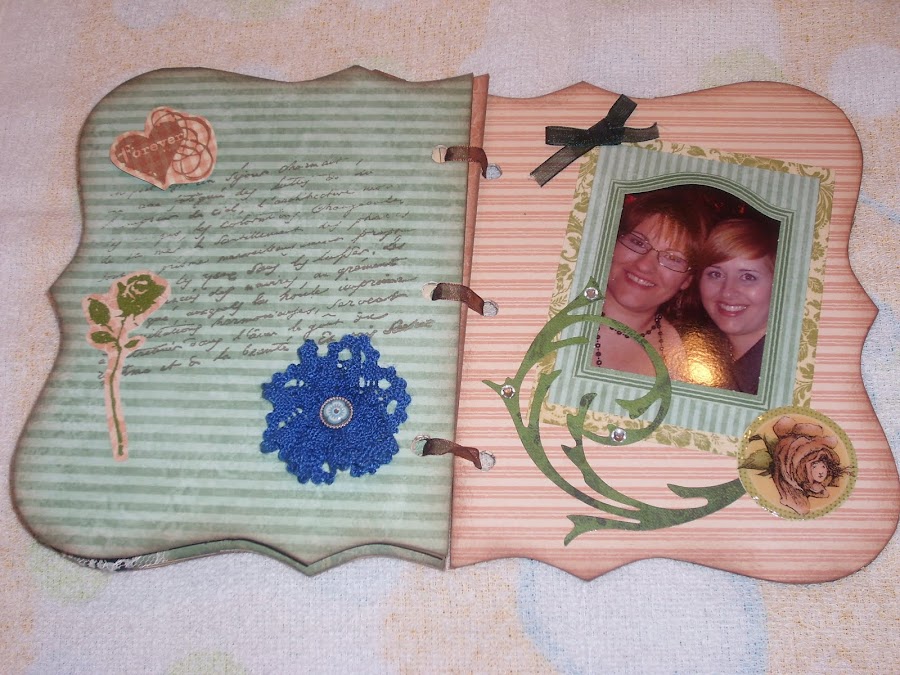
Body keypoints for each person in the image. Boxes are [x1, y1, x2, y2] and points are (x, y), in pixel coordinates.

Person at [593, 189, 708, 379]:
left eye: (673, 258)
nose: (645, 265)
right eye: (638, 242)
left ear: (687, 280)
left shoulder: (681, 362)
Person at [697, 217, 779, 394]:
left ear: (778, 284)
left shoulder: (780, 378)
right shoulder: (701, 356)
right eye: (715, 274)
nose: (727, 291)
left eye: (748, 277)